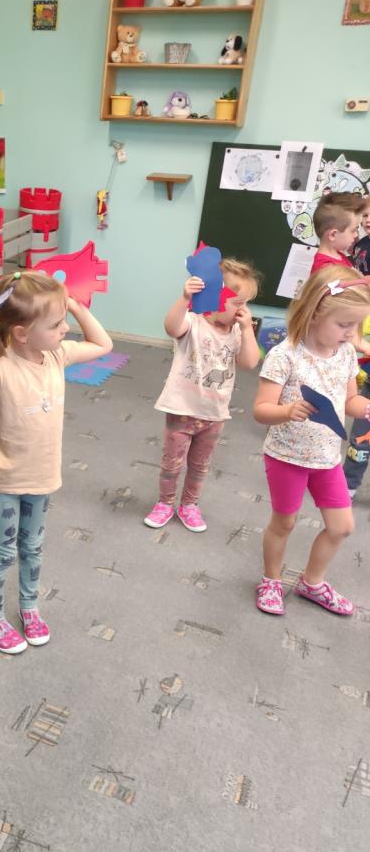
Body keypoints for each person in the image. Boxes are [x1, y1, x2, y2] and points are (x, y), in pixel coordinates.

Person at [0, 270, 113, 654]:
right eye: (55, 324)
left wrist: (72, 305)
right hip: (4, 482)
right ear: (21, 333)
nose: (65, 329)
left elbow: (103, 344)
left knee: (33, 548)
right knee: (4, 552)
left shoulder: (56, 355)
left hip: (43, 478)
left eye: (64, 321)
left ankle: (30, 607)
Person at [253, 265, 370, 616]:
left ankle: (312, 582)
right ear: (316, 311)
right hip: (286, 456)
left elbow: (349, 401)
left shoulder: (345, 353)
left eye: (357, 325)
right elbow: (261, 410)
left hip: (326, 458)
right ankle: (271, 580)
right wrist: (288, 411)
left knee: (342, 527)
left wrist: (366, 408)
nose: (351, 334)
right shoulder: (284, 355)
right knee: (284, 523)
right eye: (344, 324)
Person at [143, 259, 260, 533]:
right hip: (182, 410)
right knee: (171, 464)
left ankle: (189, 505)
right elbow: (171, 327)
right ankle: (165, 503)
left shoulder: (236, 331)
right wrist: (185, 298)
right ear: (216, 297)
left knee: (200, 465)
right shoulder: (193, 322)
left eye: (246, 303)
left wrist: (247, 330)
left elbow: (250, 362)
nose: (243, 310)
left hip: (214, 414)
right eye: (238, 303)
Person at [343, 204, 370, 496]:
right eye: (365, 215)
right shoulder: (360, 245)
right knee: (362, 435)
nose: (368, 220)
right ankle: (349, 483)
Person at [310, 193, 365, 273]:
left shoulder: (337, 254)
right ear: (333, 235)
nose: (356, 235)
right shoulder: (327, 270)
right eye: (353, 230)